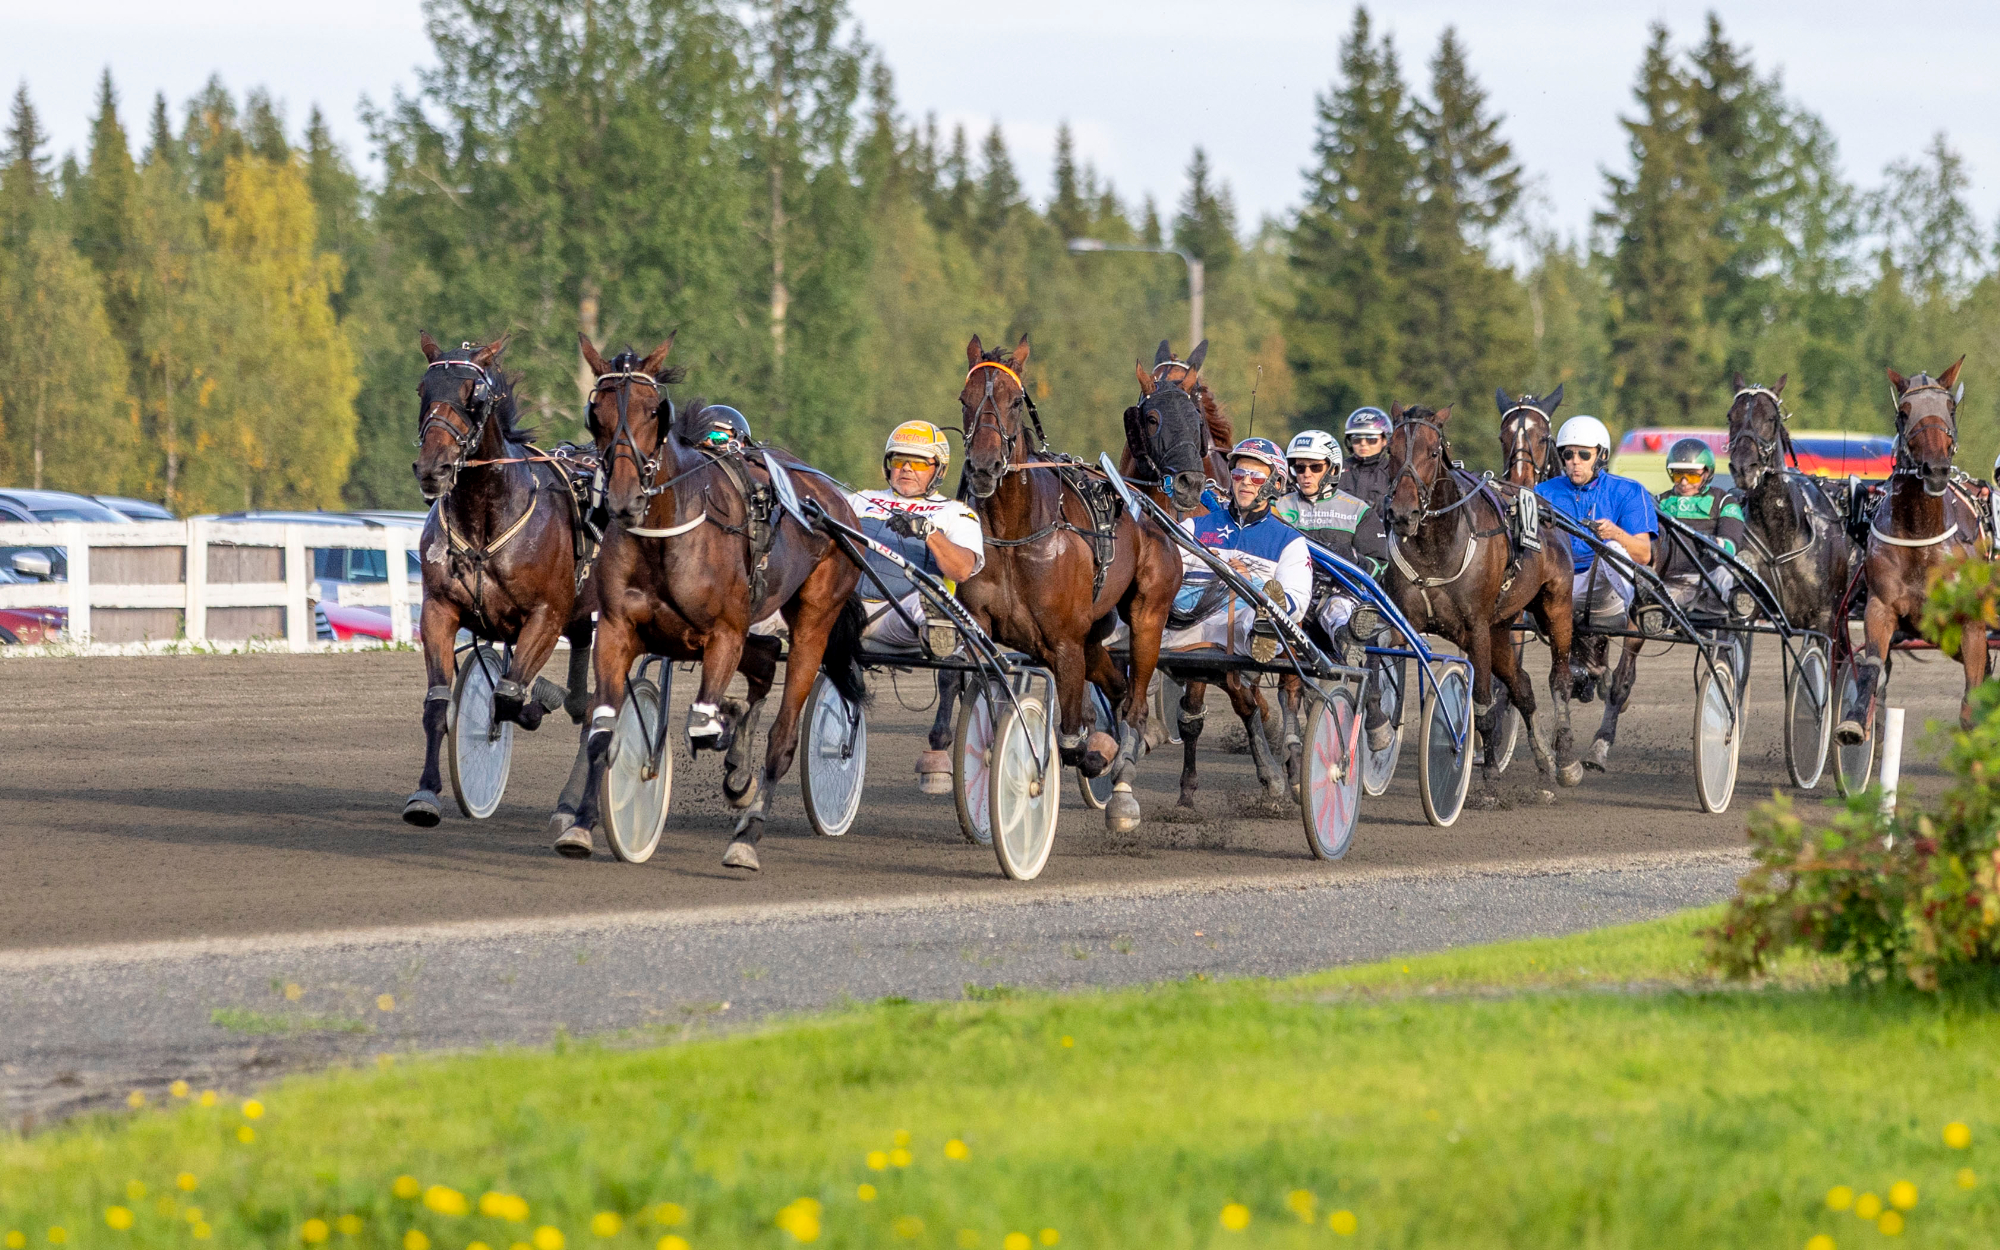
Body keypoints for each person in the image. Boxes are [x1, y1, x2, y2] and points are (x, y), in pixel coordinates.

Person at [1535, 415, 1656, 696]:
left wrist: (1616, 533)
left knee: (1611, 549)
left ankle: (1640, 608)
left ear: (1601, 455)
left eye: (1584, 454)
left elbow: (1643, 554)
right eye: (1568, 454)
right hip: (1556, 589)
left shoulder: (1628, 491)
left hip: (1606, 591)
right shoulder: (1542, 493)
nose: (1575, 461)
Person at [1163, 437, 1312, 662]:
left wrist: (1250, 585)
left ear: (1277, 484)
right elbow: (1162, 572)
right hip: (1185, 623)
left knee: (1258, 616)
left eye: (1257, 477)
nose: (1245, 482)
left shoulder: (1289, 541)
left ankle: (1264, 627)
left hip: (1242, 627)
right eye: (1239, 475)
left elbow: (1297, 603)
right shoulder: (1195, 527)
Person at [845, 420, 983, 653]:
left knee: (926, 599)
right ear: (889, 466)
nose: (907, 468)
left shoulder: (955, 512)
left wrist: (928, 532)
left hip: (898, 616)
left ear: (939, 469)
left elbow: (961, 570)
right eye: (899, 461)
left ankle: (939, 631)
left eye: (918, 462)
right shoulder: (859, 500)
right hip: (841, 609)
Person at [1654, 439, 1743, 612]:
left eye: (1692, 475)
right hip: (1665, 583)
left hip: (1708, 583)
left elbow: (1732, 544)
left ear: (1707, 473)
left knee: (1726, 574)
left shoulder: (1724, 501)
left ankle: (1739, 600)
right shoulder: (1658, 502)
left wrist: (1714, 543)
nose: (1684, 483)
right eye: (1678, 475)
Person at [1336, 406, 1396, 559]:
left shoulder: (1394, 471)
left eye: (1371, 439)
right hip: (1341, 541)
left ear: (1384, 440)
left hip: (1383, 544)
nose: (1363, 444)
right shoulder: (1336, 470)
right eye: (1357, 439)